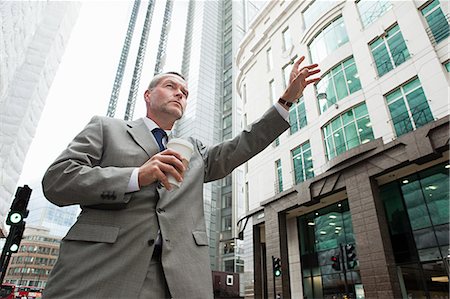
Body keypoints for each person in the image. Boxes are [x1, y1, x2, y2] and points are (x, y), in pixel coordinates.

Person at [41, 56, 320, 298]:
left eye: (184, 92)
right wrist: (136, 176)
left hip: (178, 281)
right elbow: (57, 181)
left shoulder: (195, 151)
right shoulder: (106, 129)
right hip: (101, 271)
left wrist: (286, 100)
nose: (179, 94)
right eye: (170, 86)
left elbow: (242, 145)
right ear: (148, 96)